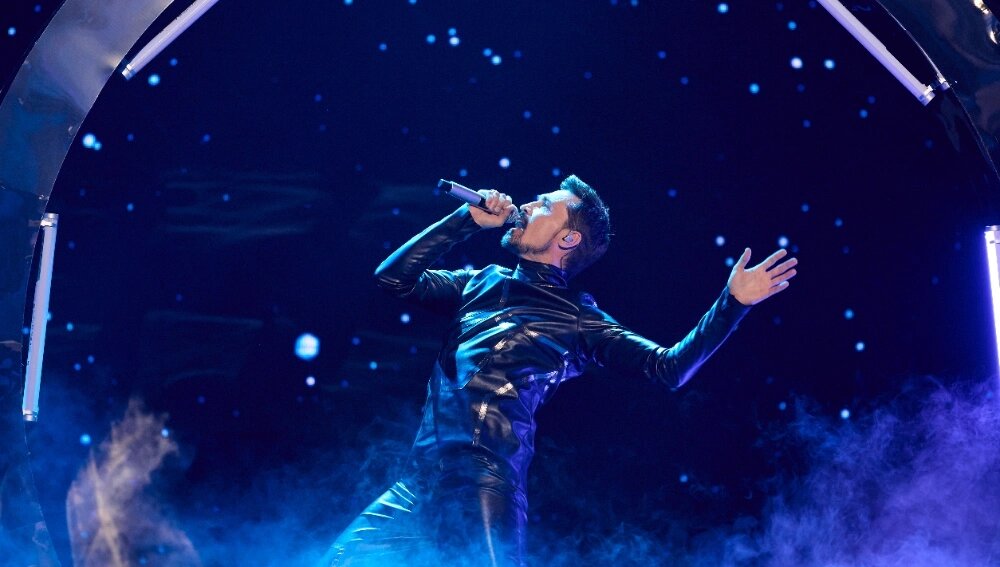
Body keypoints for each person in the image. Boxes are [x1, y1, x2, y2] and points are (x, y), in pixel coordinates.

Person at [323, 175, 797, 566]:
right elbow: (392, 279)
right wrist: (465, 221)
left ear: (567, 239)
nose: (527, 205)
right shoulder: (479, 283)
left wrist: (732, 304)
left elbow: (667, 366)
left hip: (481, 484)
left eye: (544, 205)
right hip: (418, 483)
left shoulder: (576, 317)